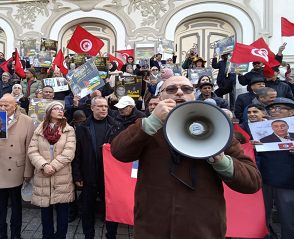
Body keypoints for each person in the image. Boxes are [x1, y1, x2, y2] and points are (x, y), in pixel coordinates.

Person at [111, 75, 262, 238]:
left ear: (194, 94)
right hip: (154, 227)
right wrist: (151, 122)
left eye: (186, 89)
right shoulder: (149, 127)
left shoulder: (217, 128)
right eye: (171, 89)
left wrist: (221, 160)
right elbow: (119, 152)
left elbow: (252, 181)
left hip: (202, 229)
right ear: (160, 96)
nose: (179, 92)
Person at [0, 94, 35, 239]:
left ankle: (16, 233)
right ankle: (1, 232)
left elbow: (30, 147)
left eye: (6, 105)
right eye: (1, 105)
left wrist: (28, 171)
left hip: (17, 169)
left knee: (16, 206)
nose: (2, 108)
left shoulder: (27, 121)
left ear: (15, 106)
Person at [259, 97, 294, 239]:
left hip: (291, 183)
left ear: (292, 112)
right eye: (271, 108)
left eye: (279, 108)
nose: (273, 111)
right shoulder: (262, 136)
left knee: (291, 224)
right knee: (260, 222)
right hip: (264, 181)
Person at [72, 96, 123, 239]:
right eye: (100, 106)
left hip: (110, 176)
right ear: (92, 108)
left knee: (112, 209)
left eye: (106, 106)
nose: (104, 109)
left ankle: (111, 235)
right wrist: (77, 175)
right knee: (88, 209)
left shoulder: (117, 126)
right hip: (89, 174)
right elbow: (77, 153)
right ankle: (89, 235)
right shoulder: (83, 127)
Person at [28, 101, 76, 239]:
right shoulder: (39, 130)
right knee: (45, 210)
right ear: (49, 112)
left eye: (62, 109)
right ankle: (47, 236)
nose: (60, 111)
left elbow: (69, 152)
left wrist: (53, 166)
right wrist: (44, 165)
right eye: (57, 108)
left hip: (61, 175)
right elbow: (32, 151)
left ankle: (61, 236)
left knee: (62, 210)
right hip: (43, 174)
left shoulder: (69, 130)